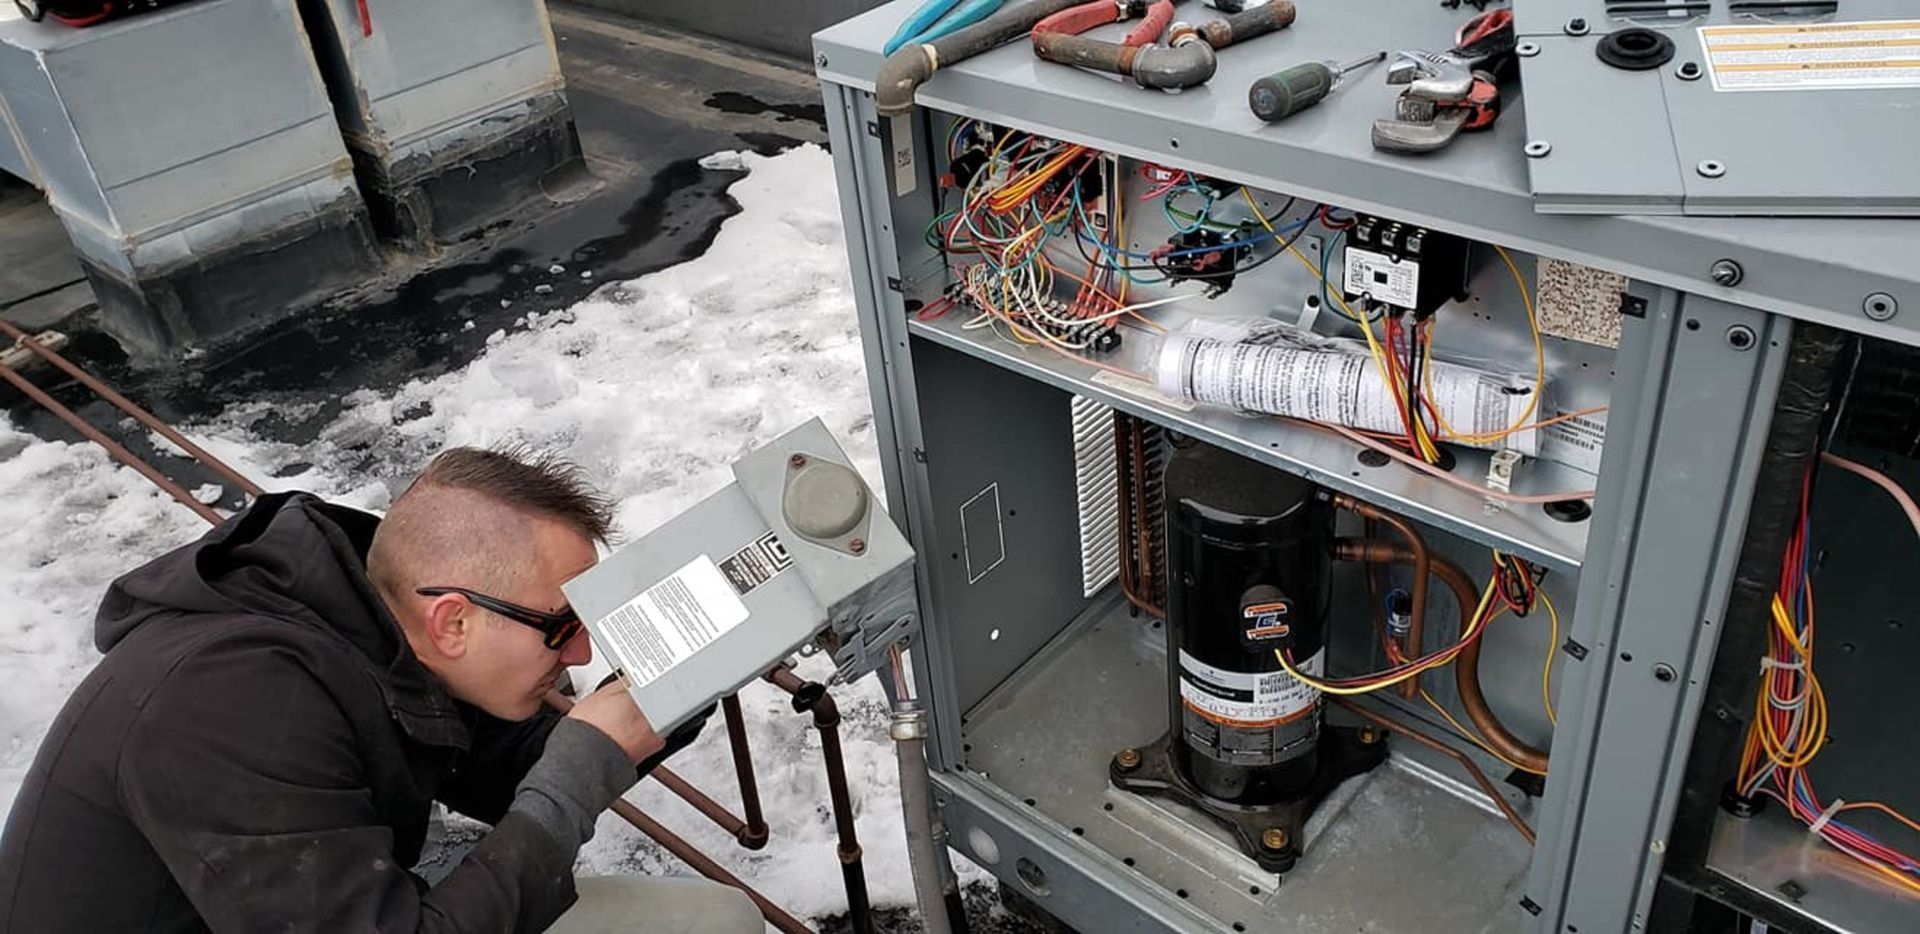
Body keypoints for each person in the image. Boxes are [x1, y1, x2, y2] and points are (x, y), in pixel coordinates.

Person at [0, 447, 764, 933]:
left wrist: (691, 664)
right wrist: (580, 770)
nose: (585, 650)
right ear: (454, 620)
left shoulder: (378, 619)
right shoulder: (233, 704)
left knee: (718, 918)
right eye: (562, 624)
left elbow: (507, 773)